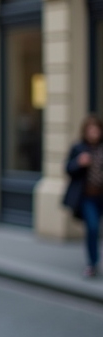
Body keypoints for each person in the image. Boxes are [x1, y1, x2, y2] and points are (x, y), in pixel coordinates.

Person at [64, 113, 103, 278]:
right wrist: (79, 163)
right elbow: (67, 169)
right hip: (88, 197)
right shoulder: (78, 148)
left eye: (96, 130)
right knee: (92, 228)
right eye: (90, 130)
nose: (93, 133)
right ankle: (92, 263)